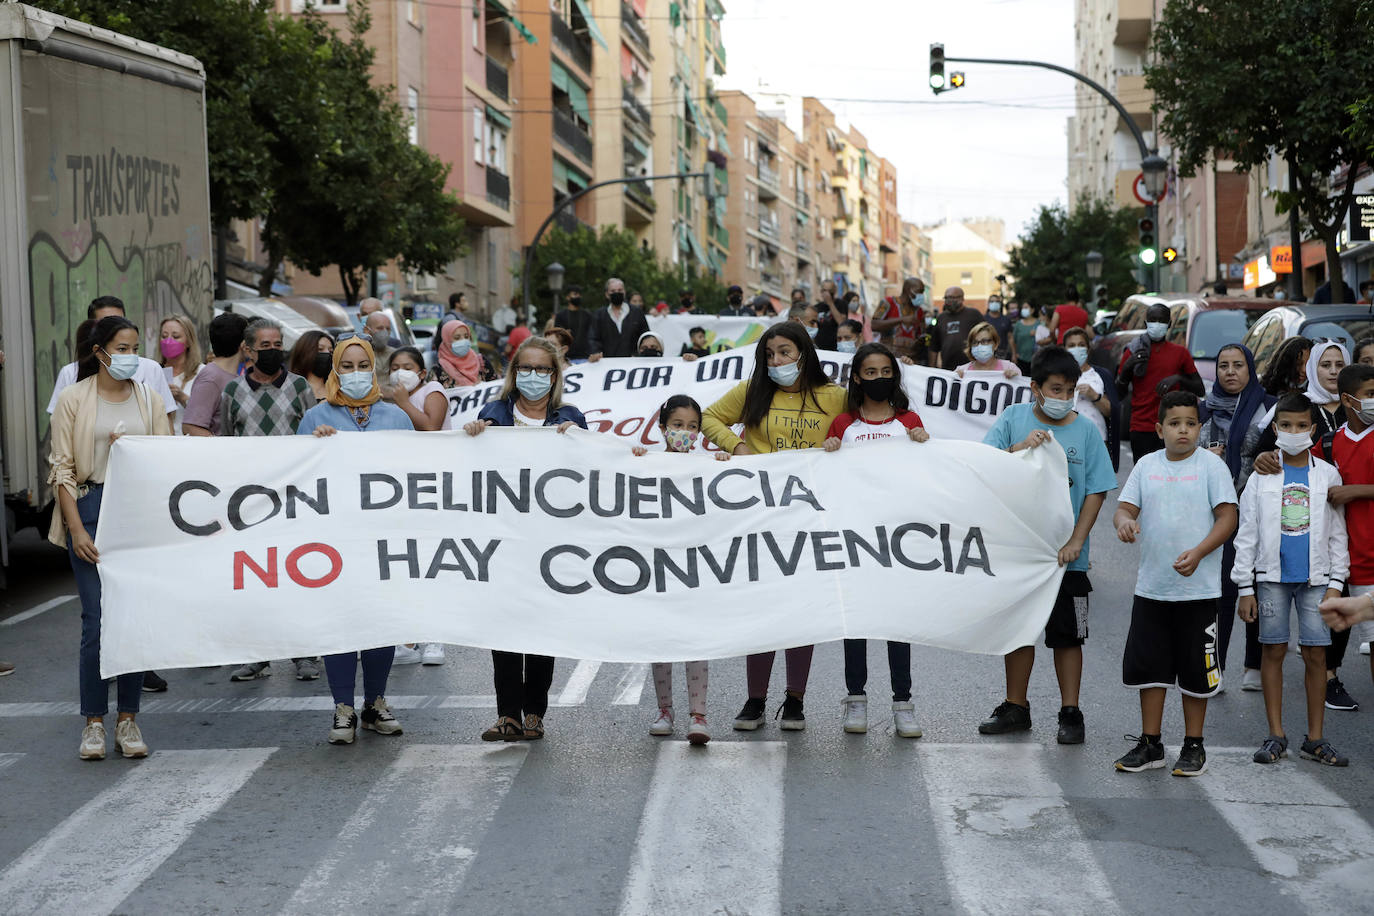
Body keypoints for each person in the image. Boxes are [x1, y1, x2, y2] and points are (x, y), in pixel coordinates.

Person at [701, 322, 848, 730]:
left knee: (802, 609)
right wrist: (738, 446)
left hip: (812, 516)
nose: (776, 361)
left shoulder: (835, 396)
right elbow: (709, 417)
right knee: (762, 606)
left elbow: (872, 422)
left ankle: (795, 700)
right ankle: (755, 700)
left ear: (804, 353)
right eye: (768, 355)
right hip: (760, 514)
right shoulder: (753, 391)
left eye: (784, 352)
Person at [978, 346, 1116, 744]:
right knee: (1019, 631)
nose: (1064, 398)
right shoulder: (1013, 418)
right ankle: (1015, 706)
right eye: (1056, 389)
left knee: (1069, 636)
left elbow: (1096, 490)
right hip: (1021, 553)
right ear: (1035, 388)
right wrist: (1018, 449)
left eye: (1070, 390)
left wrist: (1077, 541)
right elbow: (985, 465)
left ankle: (1071, 711)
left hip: (1068, 559)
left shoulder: (1085, 431)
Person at [49, 315, 172, 759]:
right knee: (97, 619)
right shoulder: (73, 398)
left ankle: (128, 720)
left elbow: (167, 458)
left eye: (134, 348)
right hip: (90, 508)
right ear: (99, 352)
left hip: (137, 513)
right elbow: (62, 468)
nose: (130, 356)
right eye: (122, 348)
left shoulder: (149, 398)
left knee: (131, 618)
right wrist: (76, 528)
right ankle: (94, 723)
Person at [465, 337, 586, 741]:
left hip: (551, 541)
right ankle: (508, 715)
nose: (534, 376)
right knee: (503, 628)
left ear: (554, 376)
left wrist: (579, 440)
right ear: (514, 372)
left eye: (543, 369)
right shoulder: (494, 413)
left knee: (540, 628)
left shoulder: (570, 417)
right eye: (526, 368)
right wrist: (475, 435)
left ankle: (534, 712)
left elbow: (591, 470)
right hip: (503, 539)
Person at [1113, 391, 1238, 776]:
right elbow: (1124, 509)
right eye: (1174, 424)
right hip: (1153, 588)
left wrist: (1199, 552)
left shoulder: (1211, 467)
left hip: (1198, 592)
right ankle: (1151, 744)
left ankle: (1193, 744)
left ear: (1200, 428)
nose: (1183, 430)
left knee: (1196, 672)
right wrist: (1125, 523)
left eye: (1190, 424)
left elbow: (1227, 518)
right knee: (1150, 669)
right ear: (1159, 429)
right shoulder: (1147, 465)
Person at [298, 335, 414, 744]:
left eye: (363, 366)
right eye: (346, 367)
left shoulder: (396, 417)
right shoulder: (315, 417)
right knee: (341, 622)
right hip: (335, 539)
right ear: (334, 370)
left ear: (374, 369)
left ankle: (375, 702)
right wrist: (315, 448)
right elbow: (297, 478)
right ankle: (343, 707)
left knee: (381, 622)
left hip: (384, 537)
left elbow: (416, 473)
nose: (355, 373)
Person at [1233, 393, 1350, 766]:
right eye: (1286, 425)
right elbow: (1247, 533)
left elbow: (1338, 535)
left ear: (1313, 430)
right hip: (1271, 579)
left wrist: (1336, 583)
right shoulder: (1261, 476)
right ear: (1275, 428)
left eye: (1301, 426)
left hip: (1318, 581)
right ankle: (1275, 734)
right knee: (1273, 650)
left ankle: (1315, 738)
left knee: (1317, 654)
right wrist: (1245, 587)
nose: (1294, 432)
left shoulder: (1327, 475)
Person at [821, 342, 929, 739]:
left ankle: (903, 704)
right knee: (856, 622)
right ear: (856, 377)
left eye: (886, 372)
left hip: (899, 540)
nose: (879, 379)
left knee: (898, 623)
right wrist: (829, 450)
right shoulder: (843, 424)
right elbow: (825, 481)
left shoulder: (909, 421)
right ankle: (856, 699)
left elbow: (928, 475)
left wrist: (924, 445)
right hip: (854, 538)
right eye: (871, 373)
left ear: (895, 377)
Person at [220, 319, 320, 684]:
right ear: (247, 350)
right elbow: (226, 443)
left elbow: (311, 436)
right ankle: (256, 656)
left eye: (278, 344)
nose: (273, 350)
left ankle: (304, 654)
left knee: (297, 576)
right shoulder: (232, 392)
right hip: (250, 502)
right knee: (255, 579)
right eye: (265, 345)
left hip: (294, 498)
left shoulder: (299, 387)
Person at [631, 394, 729, 745]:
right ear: (662, 428)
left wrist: (723, 465)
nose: (684, 432)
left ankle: (698, 715)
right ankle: (665, 710)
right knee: (661, 638)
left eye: (692, 426)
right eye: (677, 425)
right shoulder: (648, 462)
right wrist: (634, 462)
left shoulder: (707, 465)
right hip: (658, 565)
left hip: (696, 566)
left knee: (695, 639)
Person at [1199, 344, 1274, 692]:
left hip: (1259, 509)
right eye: (1224, 366)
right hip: (1217, 512)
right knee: (1224, 589)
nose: (1230, 372)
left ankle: (1254, 664)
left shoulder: (1269, 408)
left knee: (1258, 583)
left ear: (1250, 369)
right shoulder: (1203, 410)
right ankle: (1216, 668)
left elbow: (1283, 451)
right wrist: (1205, 457)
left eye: (1238, 365)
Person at [47, 296, 176, 426]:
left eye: (119, 321)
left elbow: (166, 423)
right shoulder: (70, 375)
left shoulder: (151, 371)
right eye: (106, 323)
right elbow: (60, 425)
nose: (115, 328)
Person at [1116, 303, 1204, 461]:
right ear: (1146, 323)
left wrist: (1178, 378)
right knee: (1146, 474)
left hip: (1173, 427)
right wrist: (1127, 368)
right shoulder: (1133, 352)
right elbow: (1118, 394)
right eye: (1153, 320)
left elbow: (1200, 389)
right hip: (1141, 428)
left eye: (1161, 320)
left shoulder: (1180, 353)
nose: (1156, 324)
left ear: (1169, 324)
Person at [183, 312, 249, 437]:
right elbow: (191, 426)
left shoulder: (230, 375)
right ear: (243, 345)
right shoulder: (211, 377)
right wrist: (220, 446)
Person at [1064, 327, 1113, 446]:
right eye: (1072, 345)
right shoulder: (1056, 376)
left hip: (1097, 439)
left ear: (1088, 349)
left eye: (1081, 345)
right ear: (1064, 349)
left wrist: (1095, 396)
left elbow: (1111, 412)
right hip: (1066, 439)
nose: (1077, 349)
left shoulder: (1101, 375)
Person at [157, 316, 202, 435]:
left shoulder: (202, 372)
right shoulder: (154, 371)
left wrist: (182, 398)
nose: (168, 341)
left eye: (176, 336)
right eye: (164, 336)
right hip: (160, 441)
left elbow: (206, 412)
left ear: (189, 341)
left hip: (189, 442)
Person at [588, 278, 650, 361]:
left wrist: (639, 355)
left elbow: (646, 336)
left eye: (620, 290)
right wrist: (596, 353)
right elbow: (593, 339)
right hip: (607, 363)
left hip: (633, 362)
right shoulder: (599, 314)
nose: (617, 293)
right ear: (607, 294)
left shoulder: (637, 312)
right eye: (613, 291)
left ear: (624, 292)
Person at [871, 277, 929, 365]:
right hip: (888, 358)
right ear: (908, 290)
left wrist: (921, 340)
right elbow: (874, 325)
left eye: (922, 292)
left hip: (910, 361)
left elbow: (921, 335)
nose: (921, 295)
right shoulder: (888, 302)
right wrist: (901, 320)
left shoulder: (919, 311)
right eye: (919, 291)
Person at [931, 287, 983, 370]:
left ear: (961, 298)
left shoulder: (974, 314)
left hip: (972, 368)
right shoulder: (941, 318)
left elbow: (988, 337)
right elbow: (934, 346)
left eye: (951, 297)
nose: (948, 301)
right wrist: (932, 369)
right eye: (946, 298)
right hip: (948, 369)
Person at [432, 320, 493, 388]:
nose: (463, 340)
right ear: (447, 340)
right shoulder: (438, 370)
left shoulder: (482, 362)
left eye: (466, 337)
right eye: (457, 338)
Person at [954, 321, 1021, 379]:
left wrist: (1016, 379)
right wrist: (955, 380)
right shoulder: (961, 371)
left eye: (985, 341)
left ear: (995, 344)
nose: (979, 346)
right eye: (975, 342)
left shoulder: (1010, 368)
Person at [288, 330, 335, 402]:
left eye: (331, 351)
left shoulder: (337, 392)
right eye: (320, 349)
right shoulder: (289, 390)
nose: (327, 354)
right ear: (304, 352)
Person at [553, 285, 592, 360]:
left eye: (579, 294)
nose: (578, 296)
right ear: (567, 297)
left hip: (585, 356)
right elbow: (557, 335)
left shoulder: (587, 315)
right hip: (566, 357)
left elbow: (592, 335)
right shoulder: (561, 315)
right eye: (575, 294)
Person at [1011, 303, 1045, 374]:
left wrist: (1038, 333)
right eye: (1023, 308)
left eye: (1026, 307)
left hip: (1037, 360)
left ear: (1032, 310)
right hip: (1021, 359)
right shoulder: (1018, 324)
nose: (1024, 310)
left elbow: (1047, 336)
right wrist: (1014, 354)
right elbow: (1013, 340)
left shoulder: (1039, 323)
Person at [364, 311, 398, 380]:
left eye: (388, 329)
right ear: (367, 331)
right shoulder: (360, 354)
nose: (385, 332)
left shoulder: (395, 354)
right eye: (380, 328)